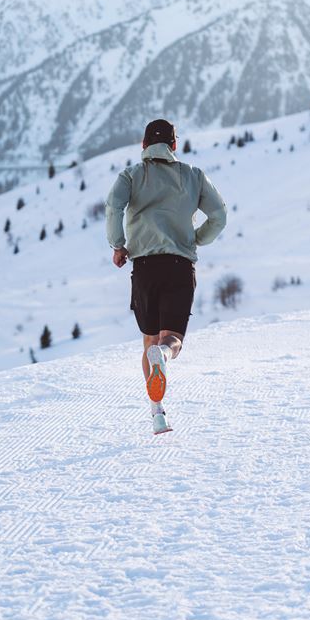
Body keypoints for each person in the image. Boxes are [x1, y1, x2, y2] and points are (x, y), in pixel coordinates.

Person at [106, 118, 227, 434]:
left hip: (145, 268)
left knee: (148, 340)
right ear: (174, 145)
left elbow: (113, 206)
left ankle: (157, 413)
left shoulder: (131, 175)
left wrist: (118, 245)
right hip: (179, 266)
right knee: (171, 339)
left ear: (144, 145)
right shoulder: (193, 176)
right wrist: (195, 238)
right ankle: (164, 353)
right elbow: (219, 215)